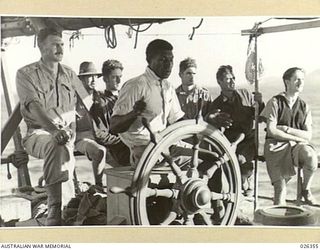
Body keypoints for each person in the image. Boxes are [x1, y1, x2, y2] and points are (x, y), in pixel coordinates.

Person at [16, 28, 79, 226]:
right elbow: (33, 106)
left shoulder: (70, 73)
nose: (60, 48)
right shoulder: (25, 74)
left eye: (62, 44)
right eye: (54, 44)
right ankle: (54, 209)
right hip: (39, 134)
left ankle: (68, 204)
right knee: (56, 144)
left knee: (64, 145)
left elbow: (85, 103)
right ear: (41, 47)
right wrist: (54, 131)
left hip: (67, 134)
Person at [261, 67, 318, 205]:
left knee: (311, 157)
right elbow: (272, 131)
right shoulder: (275, 102)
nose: (300, 82)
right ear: (287, 82)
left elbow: (308, 135)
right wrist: (299, 137)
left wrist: (287, 129)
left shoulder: (304, 106)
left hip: (295, 146)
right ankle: (278, 223)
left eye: (302, 80)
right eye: (297, 79)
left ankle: (305, 190)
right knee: (280, 189)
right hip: (275, 147)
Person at [209, 65, 264, 197]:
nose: (232, 81)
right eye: (228, 79)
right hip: (230, 142)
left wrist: (260, 102)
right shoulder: (216, 104)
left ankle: (244, 182)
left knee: (241, 160)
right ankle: (236, 191)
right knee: (230, 165)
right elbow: (215, 128)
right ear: (219, 82)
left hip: (248, 139)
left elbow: (260, 116)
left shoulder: (245, 94)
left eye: (233, 78)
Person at [90, 59, 130, 166]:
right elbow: (100, 135)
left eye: (120, 77)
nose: (119, 81)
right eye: (114, 77)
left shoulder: (126, 97)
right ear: (105, 79)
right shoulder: (101, 103)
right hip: (120, 151)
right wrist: (126, 142)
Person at [74, 61, 107, 187]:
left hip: (100, 136)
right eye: (89, 76)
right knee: (100, 151)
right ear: (81, 79)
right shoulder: (74, 98)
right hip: (81, 138)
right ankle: (99, 185)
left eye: (95, 76)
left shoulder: (99, 96)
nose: (93, 79)